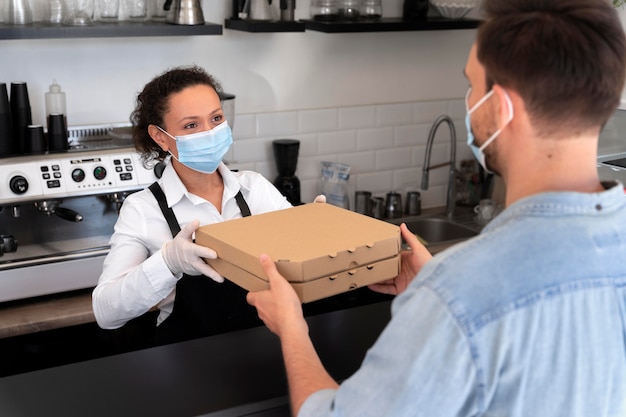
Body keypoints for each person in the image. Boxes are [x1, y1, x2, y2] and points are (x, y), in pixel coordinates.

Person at [246, 1, 626, 416]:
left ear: (500, 108)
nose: (468, 102)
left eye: (472, 86)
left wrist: (291, 328)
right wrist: (435, 288)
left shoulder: (460, 291)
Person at [92, 66, 295, 345]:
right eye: (191, 125)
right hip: (188, 360)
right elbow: (106, 312)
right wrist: (168, 263)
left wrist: (316, 229)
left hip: (266, 343)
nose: (209, 132)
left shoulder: (254, 188)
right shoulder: (142, 209)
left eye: (216, 118)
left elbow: (300, 262)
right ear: (160, 137)